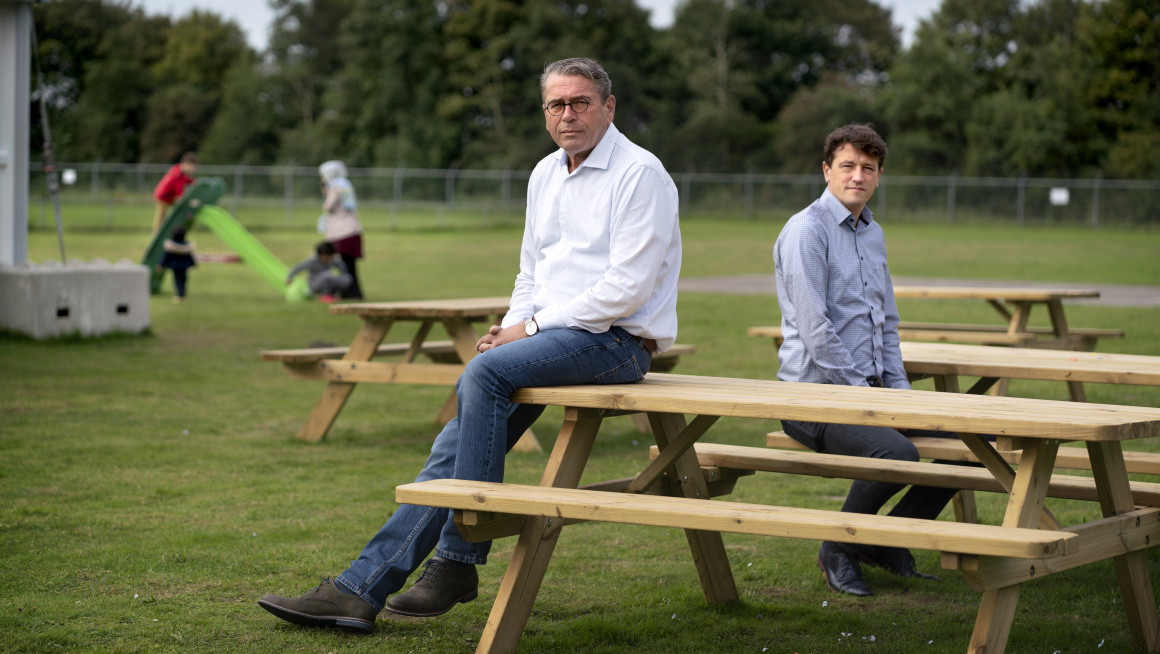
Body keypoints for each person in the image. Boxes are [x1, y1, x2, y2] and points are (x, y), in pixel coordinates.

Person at [258, 57, 681, 633]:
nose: (568, 114)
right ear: (545, 112)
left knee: (479, 380)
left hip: (618, 344)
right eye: (556, 104)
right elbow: (533, 271)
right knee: (455, 442)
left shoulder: (641, 174)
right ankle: (360, 590)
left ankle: (458, 559)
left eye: (580, 102)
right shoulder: (545, 173)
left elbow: (625, 286)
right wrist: (506, 328)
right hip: (555, 336)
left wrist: (526, 332)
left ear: (609, 107)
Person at [773, 124, 966, 597]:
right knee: (896, 452)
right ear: (827, 170)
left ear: (879, 175)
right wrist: (867, 397)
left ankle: (882, 542)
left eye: (868, 168)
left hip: (873, 392)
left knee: (970, 450)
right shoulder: (806, 231)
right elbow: (816, 331)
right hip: (813, 398)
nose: (857, 175)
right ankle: (838, 546)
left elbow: (888, 323)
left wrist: (899, 394)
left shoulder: (872, 232)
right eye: (848, 166)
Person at [318, 160, 365, 299]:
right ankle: (353, 293)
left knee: (341, 266)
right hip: (353, 231)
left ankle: (345, 293)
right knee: (350, 266)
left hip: (341, 233)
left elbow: (328, 206)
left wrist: (326, 192)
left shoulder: (335, 186)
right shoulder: (346, 185)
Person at [287, 241, 354, 304]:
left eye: (330, 256)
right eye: (326, 256)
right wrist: (290, 277)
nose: (328, 258)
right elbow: (299, 267)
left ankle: (333, 295)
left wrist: (338, 262)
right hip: (314, 284)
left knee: (347, 278)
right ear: (321, 255)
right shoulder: (313, 260)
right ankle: (324, 296)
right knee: (327, 274)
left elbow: (343, 269)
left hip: (328, 280)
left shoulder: (333, 259)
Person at [152, 152, 198, 233]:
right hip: (163, 196)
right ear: (187, 164)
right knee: (161, 216)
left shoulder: (180, 170)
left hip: (170, 197)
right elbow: (179, 193)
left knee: (177, 212)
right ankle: (156, 233)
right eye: (193, 166)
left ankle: (174, 230)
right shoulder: (178, 175)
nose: (194, 169)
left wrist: (196, 184)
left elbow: (188, 180)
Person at [155, 226, 196, 303]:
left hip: (175, 266)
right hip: (184, 267)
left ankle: (179, 295)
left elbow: (166, 257)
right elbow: (190, 257)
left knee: (177, 281)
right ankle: (182, 294)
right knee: (183, 280)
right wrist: (194, 264)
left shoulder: (171, 246)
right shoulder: (186, 246)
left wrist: (160, 265)